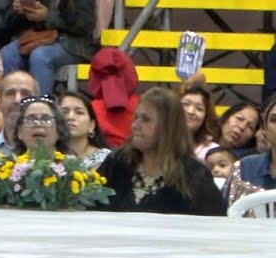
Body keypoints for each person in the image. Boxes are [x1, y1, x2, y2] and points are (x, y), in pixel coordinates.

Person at [97, 87, 227, 215]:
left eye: (146, 119)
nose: (135, 125)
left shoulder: (195, 176)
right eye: (136, 117)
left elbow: (215, 227)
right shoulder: (116, 162)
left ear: (168, 127)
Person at [222, 96, 276, 200]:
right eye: (275, 119)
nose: (242, 127)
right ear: (265, 128)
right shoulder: (244, 167)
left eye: (250, 126)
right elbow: (224, 211)